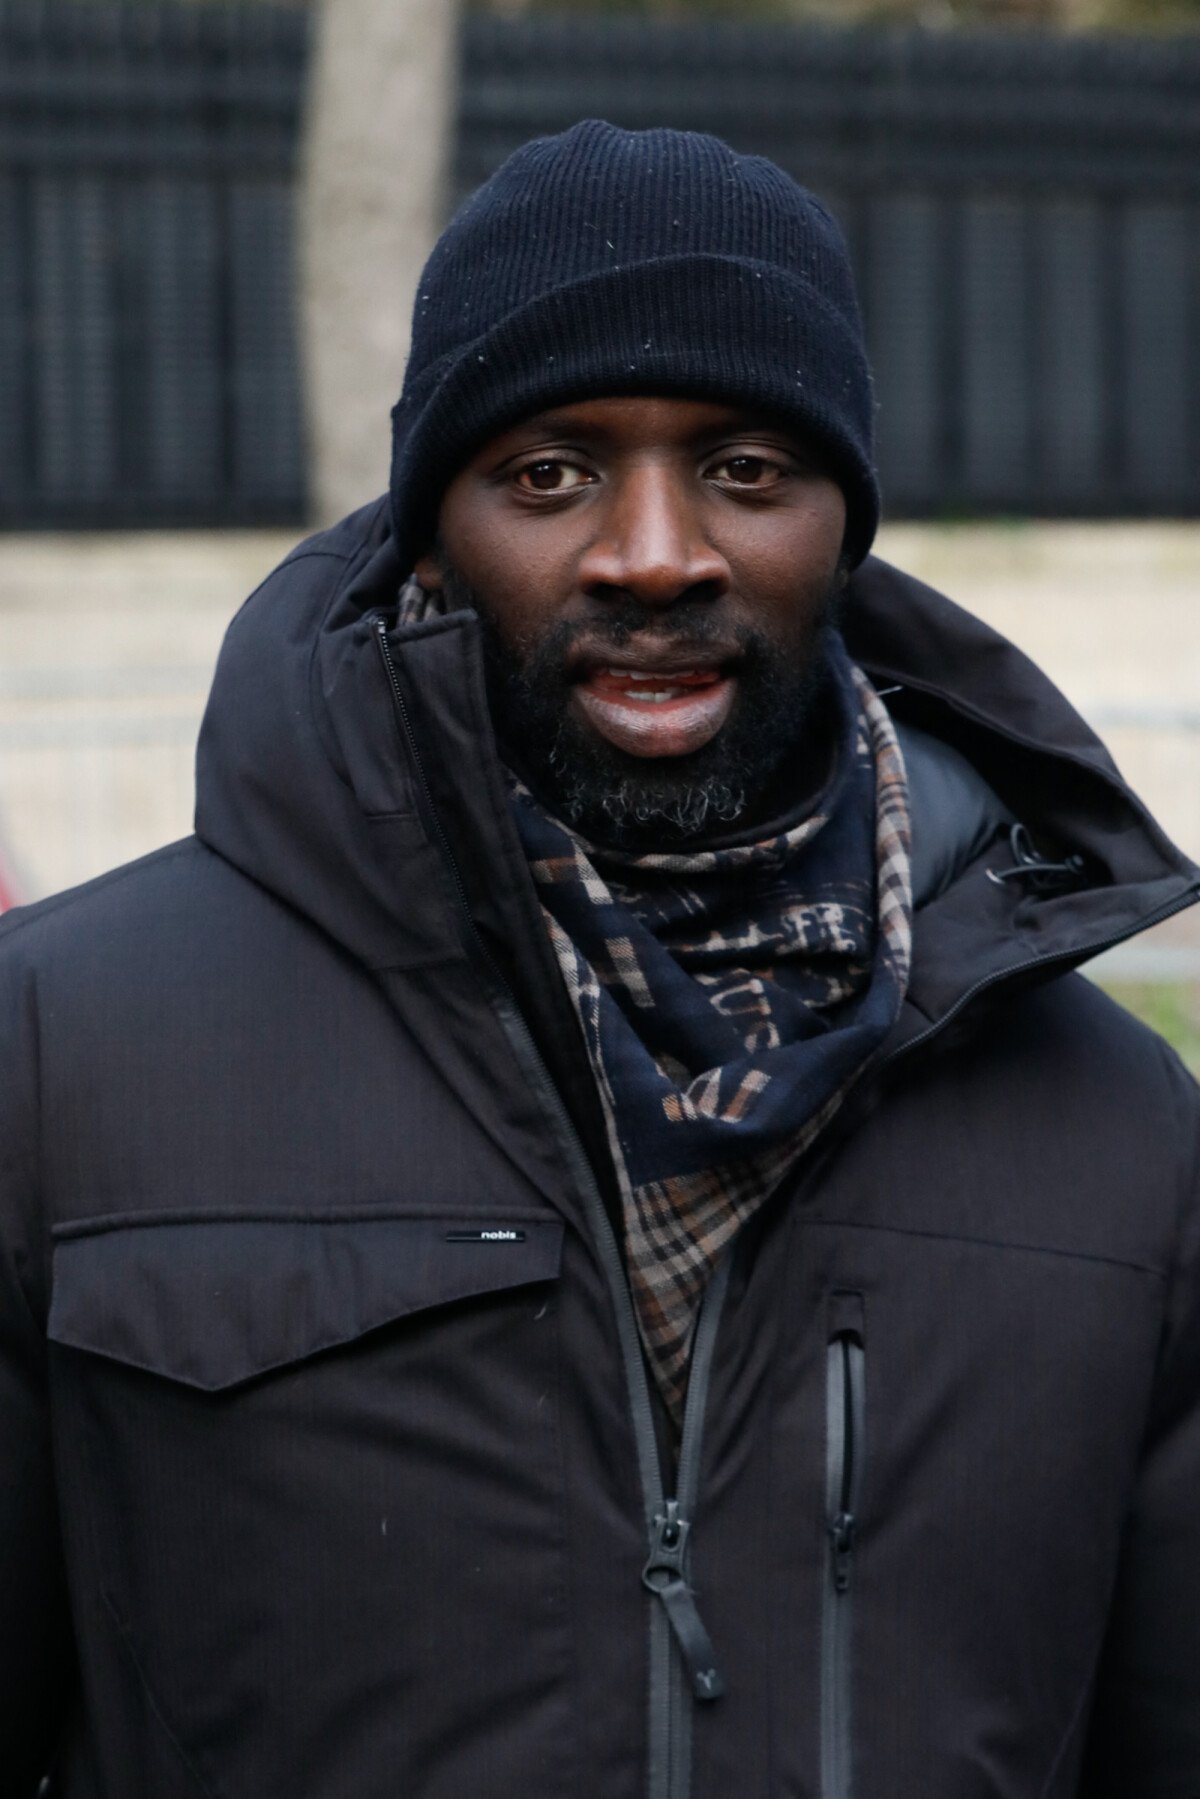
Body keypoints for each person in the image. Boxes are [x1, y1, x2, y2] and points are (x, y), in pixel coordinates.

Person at [2, 119, 1198, 1799]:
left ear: (842, 528)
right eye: (550, 471)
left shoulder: (1123, 1135)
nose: (655, 553)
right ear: (427, 532)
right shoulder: (61, 1060)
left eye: (746, 469)